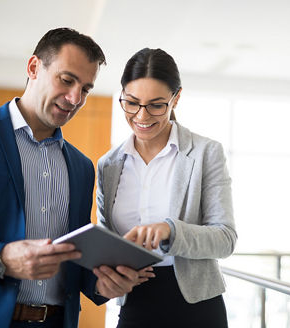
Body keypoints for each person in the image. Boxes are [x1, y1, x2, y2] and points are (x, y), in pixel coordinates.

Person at [0, 28, 152, 328]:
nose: (75, 98)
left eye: (86, 88)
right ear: (34, 67)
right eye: (66, 80)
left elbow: (74, 255)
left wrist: (102, 284)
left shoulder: (81, 167)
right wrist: (0, 259)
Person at [96, 48, 237, 328]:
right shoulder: (108, 165)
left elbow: (225, 239)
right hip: (134, 300)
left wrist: (170, 230)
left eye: (156, 105)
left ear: (176, 98)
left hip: (197, 305)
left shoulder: (205, 153)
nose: (141, 115)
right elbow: (108, 241)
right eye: (132, 102)